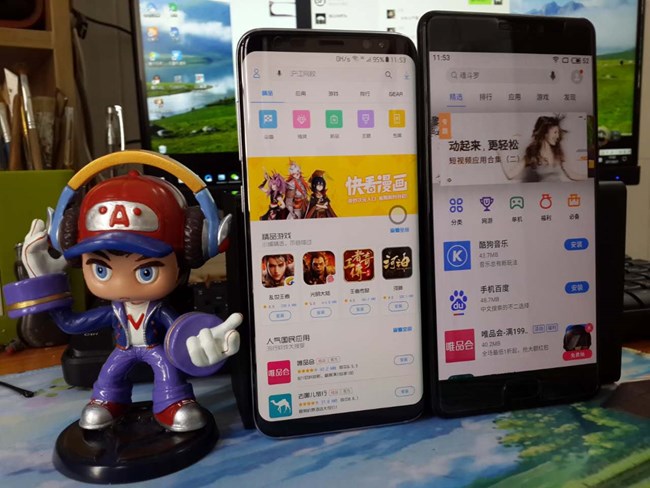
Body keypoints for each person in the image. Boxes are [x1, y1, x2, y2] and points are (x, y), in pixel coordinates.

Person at [20, 170, 242, 432]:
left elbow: (179, 334)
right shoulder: (115, 310)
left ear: (190, 254)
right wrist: (45, 282)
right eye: (101, 270)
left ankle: (172, 402)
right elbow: (70, 323)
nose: (120, 284)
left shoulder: (159, 310)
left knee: (168, 373)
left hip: (155, 349)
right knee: (109, 376)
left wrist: (199, 346)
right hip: (123, 349)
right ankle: (108, 401)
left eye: (146, 272)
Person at [502, 115, 580, 182]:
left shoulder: (558, 152)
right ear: (545, 133)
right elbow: (510, 175)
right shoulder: (532, 155)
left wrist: (586, 177)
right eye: (555, 132)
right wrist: (501, 154)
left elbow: (571, 174)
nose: (558, 136)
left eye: (558, 133)